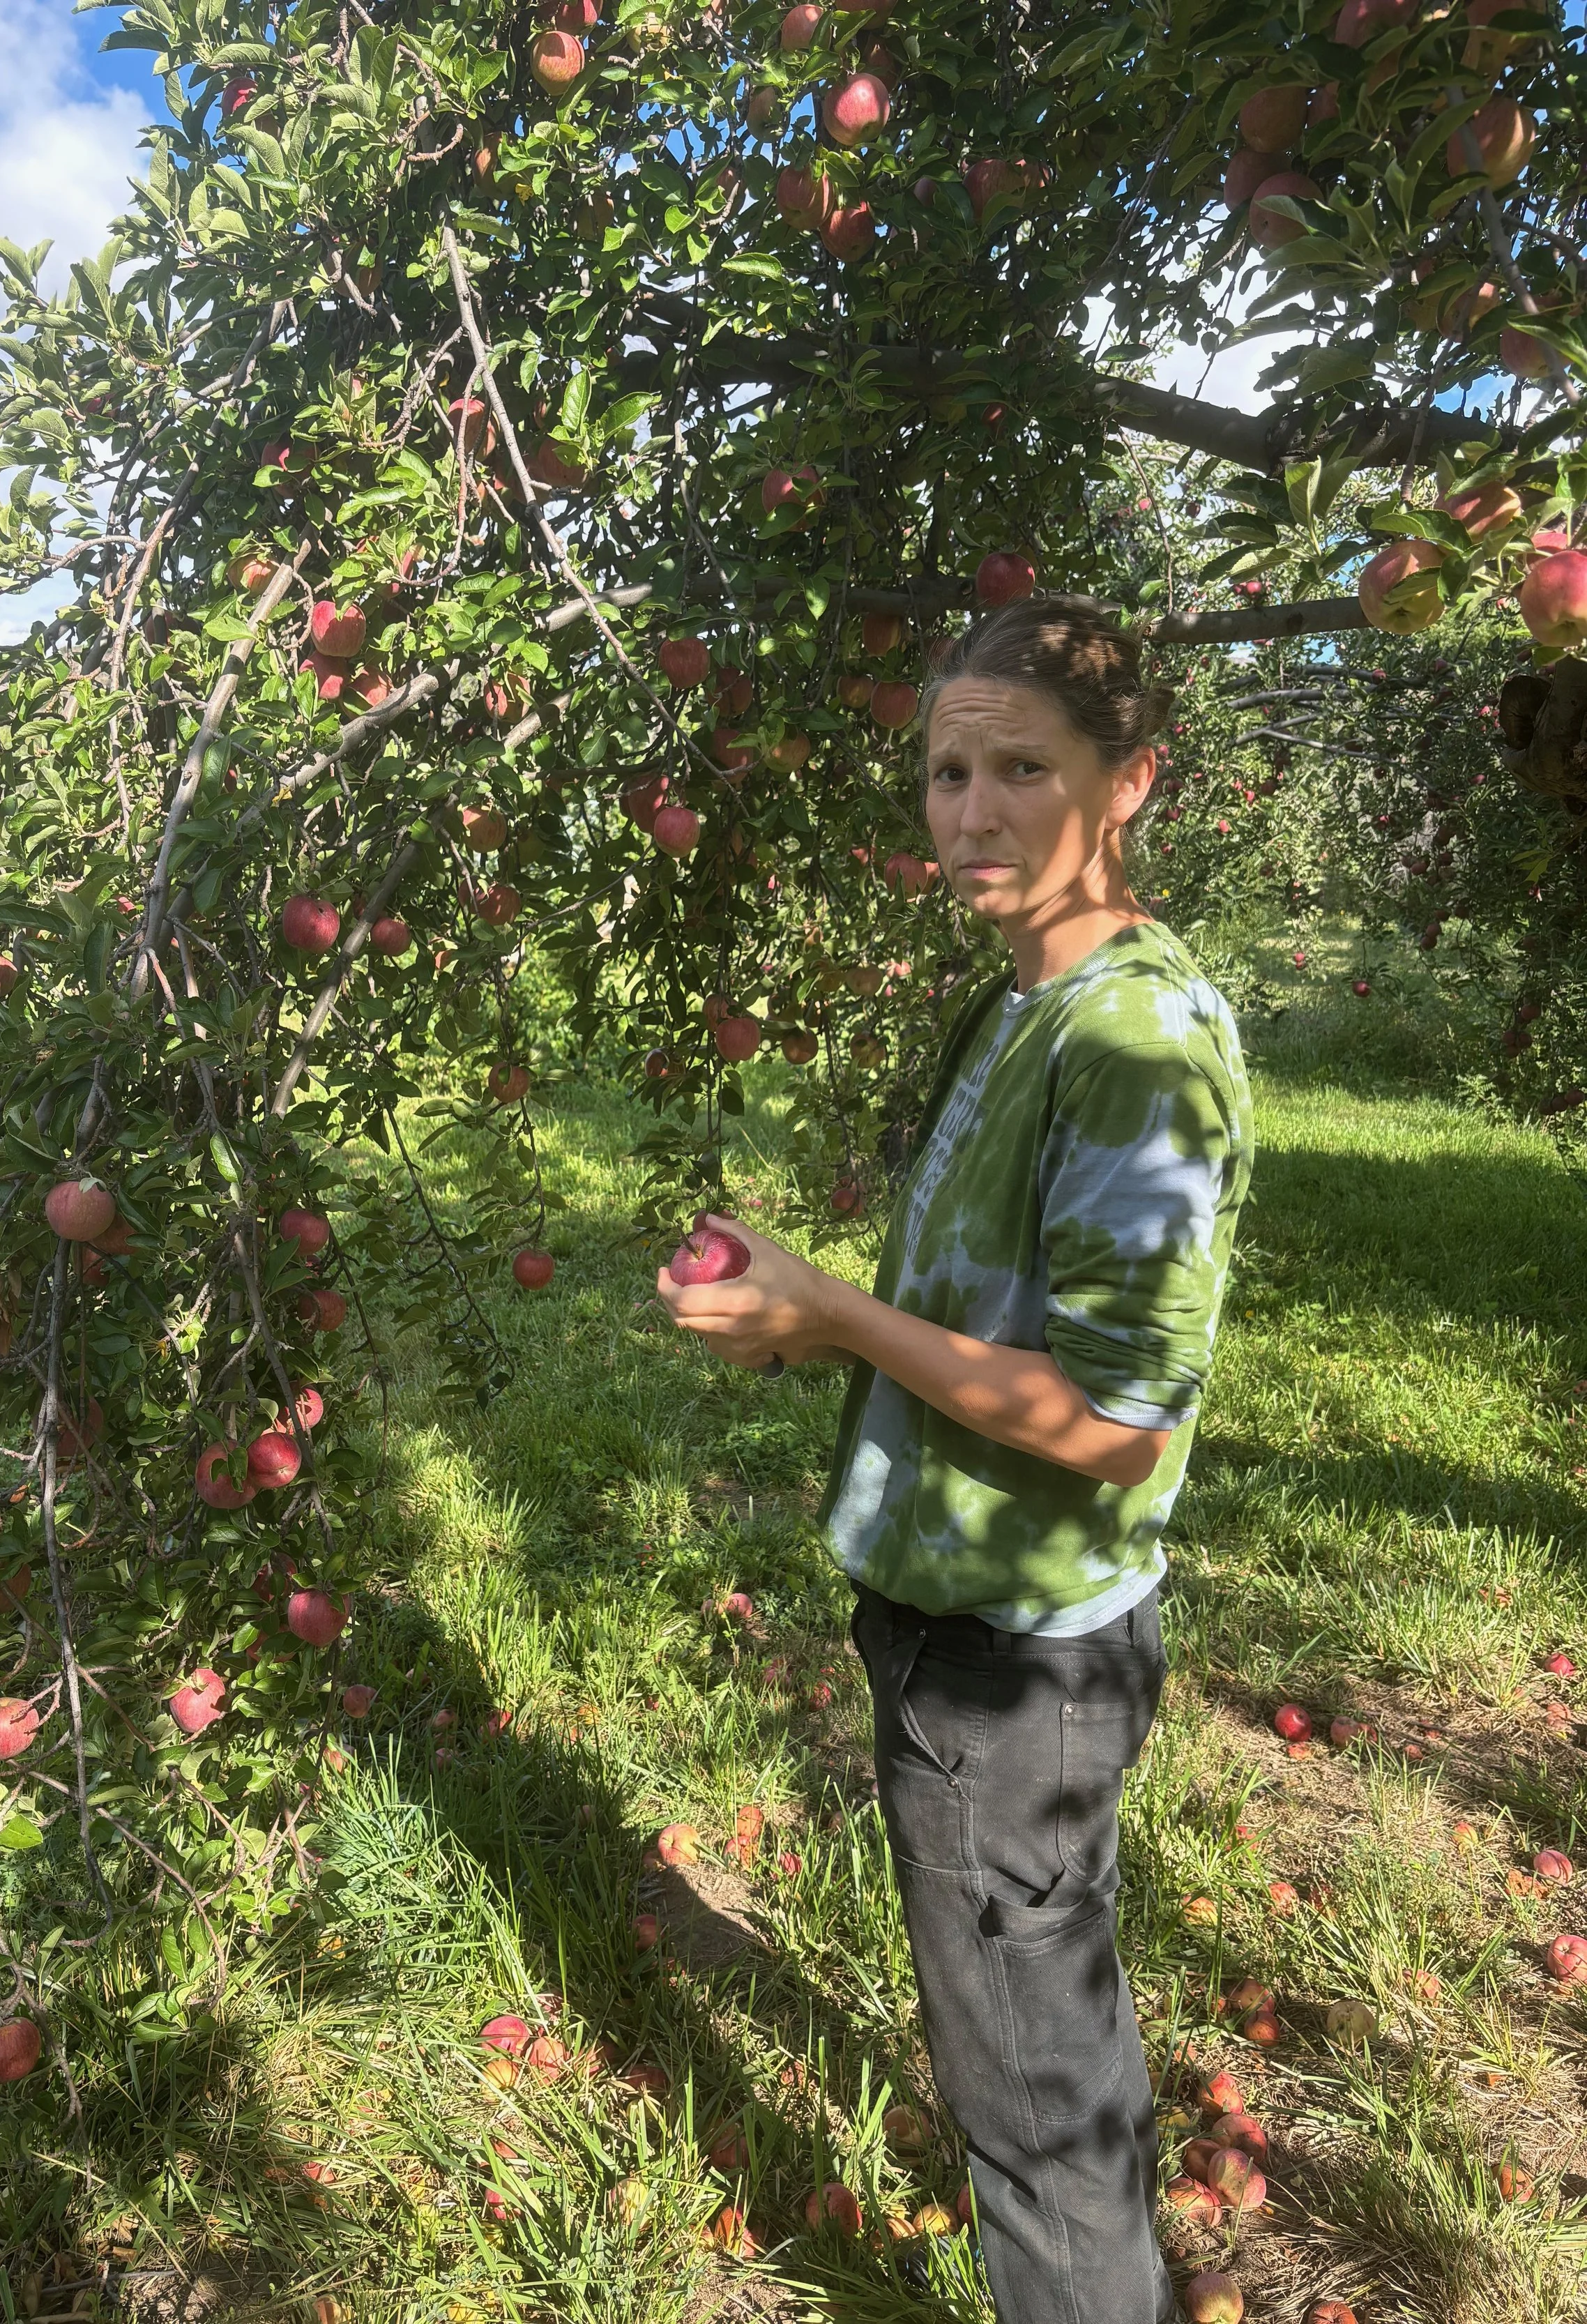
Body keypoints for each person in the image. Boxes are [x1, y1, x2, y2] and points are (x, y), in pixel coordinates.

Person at [656, 595, 1254, 2324]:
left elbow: (1112, 1419)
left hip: (1016, 1651)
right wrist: (810, 1316)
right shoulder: (1027, 1007)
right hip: (958, 1621)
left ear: (1125, 780)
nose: (971, 811)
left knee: (1030, 2108)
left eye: (1021, 769)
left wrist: (835, 1313)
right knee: (1042, 2018)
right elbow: (987, 1318)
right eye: (944, 771)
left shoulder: (1132, 1041)